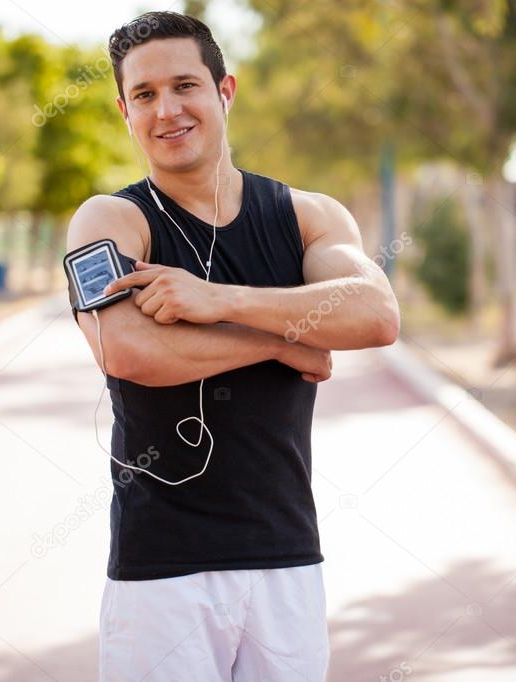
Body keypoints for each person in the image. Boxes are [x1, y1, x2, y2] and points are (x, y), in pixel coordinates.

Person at [66, 11, 400, 681]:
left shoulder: (307, 216)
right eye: (144, 95)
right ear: (124, 111)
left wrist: (219, 300)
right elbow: (126, 350)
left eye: (185, 85)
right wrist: (283, 342)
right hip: (162, 570)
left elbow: (373, 314)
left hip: (286, 560)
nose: (167, 110)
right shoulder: (111, 221)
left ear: (225, 90)